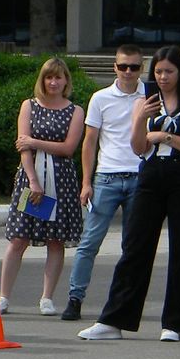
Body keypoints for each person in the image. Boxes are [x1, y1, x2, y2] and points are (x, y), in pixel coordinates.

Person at [78, 47, 180, 342]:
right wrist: (140, 120)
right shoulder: (144, 102)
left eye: (169, 71)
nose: (163, 77)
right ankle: (114, 320)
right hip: (150, 174)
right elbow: (138, 147)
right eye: (159, 72)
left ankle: (175, 323)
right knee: (136, 247)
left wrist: (166, 137)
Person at [61, 45, 144, 322]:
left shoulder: (149, 96)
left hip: (139, 175)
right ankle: (75, 298)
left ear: (141, 68)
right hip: (107, 176)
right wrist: (86, 182)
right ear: (115, 68)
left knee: (133, 246)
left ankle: (127, 303)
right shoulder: (101, 98)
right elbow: (90, 142)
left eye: (134, 67)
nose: (128, 72)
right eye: (123, 66)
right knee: (89, 242)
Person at [0, 57, 83, 316]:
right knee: (19, 238)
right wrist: (33, 180)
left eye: (59, 77)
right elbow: (22, 147)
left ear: (66, 80)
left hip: (62, 181)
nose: (54, 82)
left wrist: (35, 141)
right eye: (49, 77)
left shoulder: (75, 111)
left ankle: (47, 297)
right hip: (32, 178)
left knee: (55, 240)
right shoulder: (30, 106)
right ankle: (3, 296)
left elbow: (68, 148)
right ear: (42, 80)